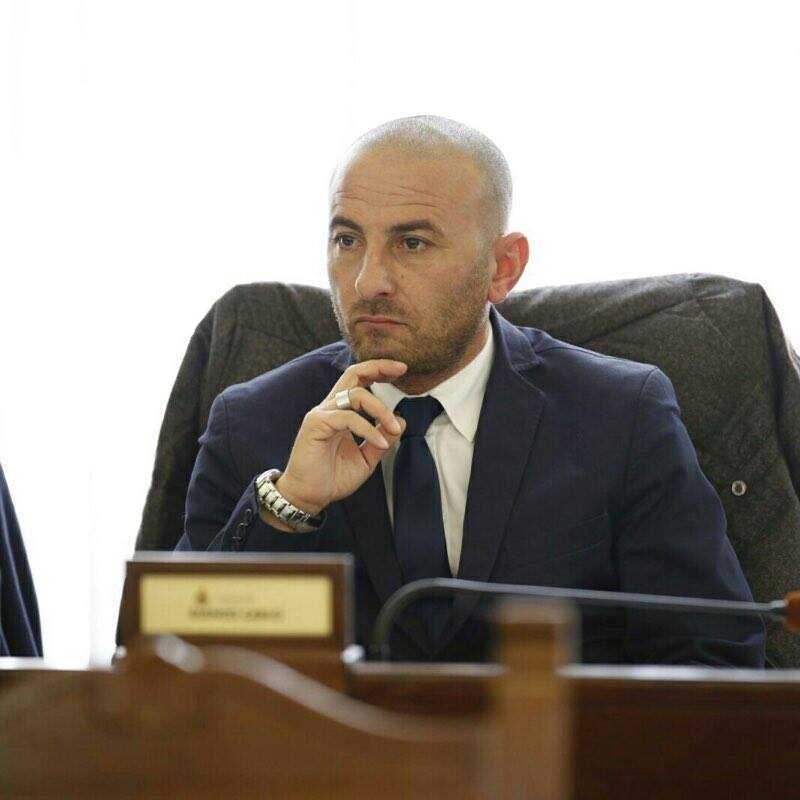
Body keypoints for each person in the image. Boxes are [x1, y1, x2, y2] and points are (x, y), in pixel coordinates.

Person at [175, 115, 764, 666]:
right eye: (347, 240)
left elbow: (716, 661)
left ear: (502, 267)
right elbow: (170, 669)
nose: (368, 282)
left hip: (558, 744)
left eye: (412, 243)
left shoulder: (620, 415)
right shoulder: (253, 421)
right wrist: (289, 506)